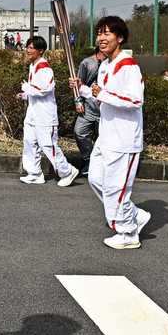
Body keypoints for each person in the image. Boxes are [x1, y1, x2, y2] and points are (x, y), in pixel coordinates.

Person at [72, 16, 150, 250]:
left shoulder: (129, 66)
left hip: (124, 139)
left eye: (107, 33)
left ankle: (128, 233)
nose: (101, 38)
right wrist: (83, 89)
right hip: (106, 136)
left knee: (117, 188)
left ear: (120, 38)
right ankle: (135, 215)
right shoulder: (105, 65)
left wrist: (100, 93)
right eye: (99, 33)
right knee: (96, 179)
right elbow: (101, 95)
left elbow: (135, 100)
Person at [17, 36, 79, 186]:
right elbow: (35, 90)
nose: (28, 50)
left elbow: (45, 89)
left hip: (45, 115)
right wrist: (25, 95)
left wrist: (26, 88)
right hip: (33, 113)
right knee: (29, 142)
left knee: (47, 145)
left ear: (41, 51)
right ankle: (35, 173)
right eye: (28, 47)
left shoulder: (45, 68)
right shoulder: (33, 66)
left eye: (32, 48)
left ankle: (67, 171)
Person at [71, 47, 104, 178]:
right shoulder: (87, 63)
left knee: (103, 139)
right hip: (89, 108)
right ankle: (88, 159)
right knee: (79, 132)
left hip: (105, 110)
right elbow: (79, 83)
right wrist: (78, 102)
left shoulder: (112, 65)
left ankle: (99, 164)